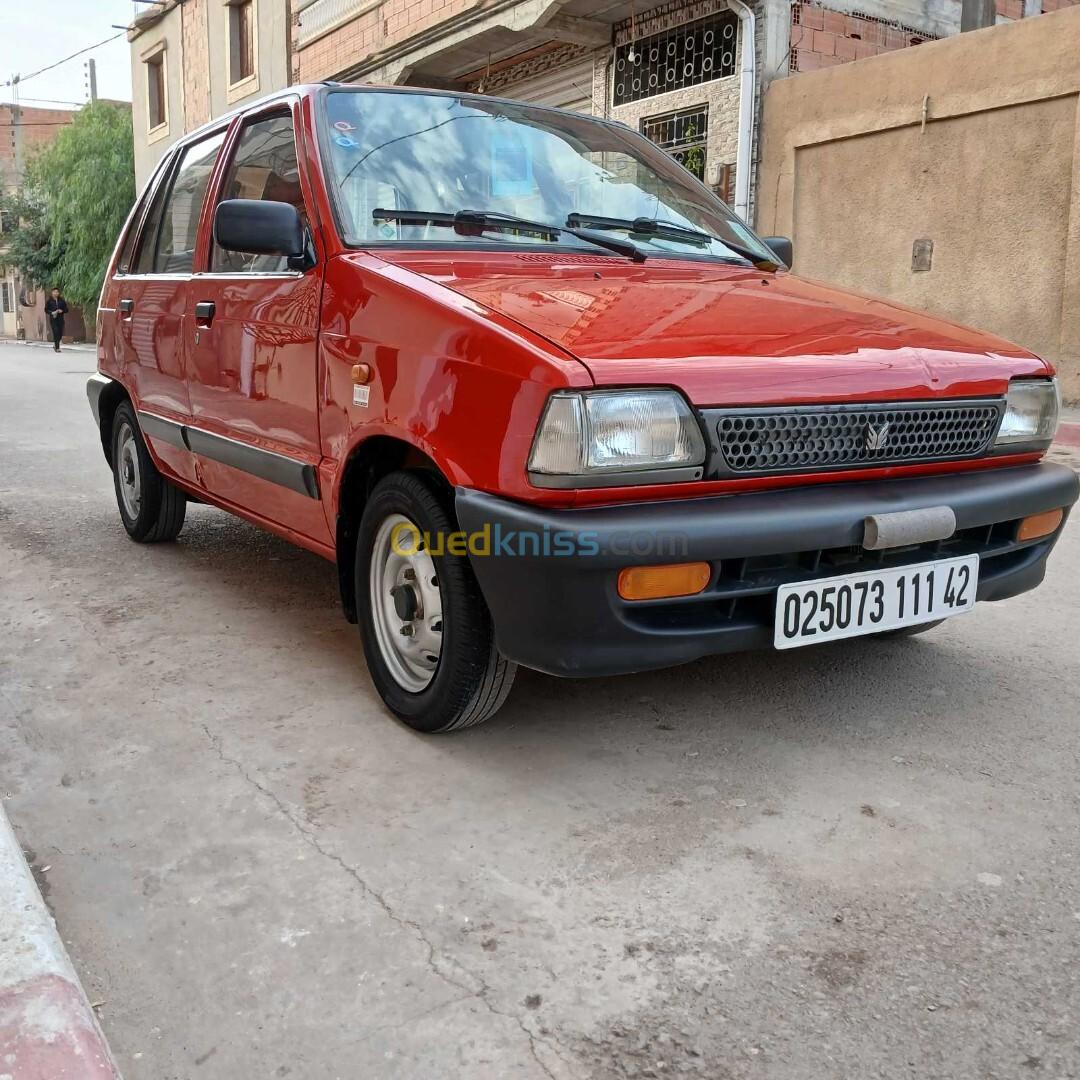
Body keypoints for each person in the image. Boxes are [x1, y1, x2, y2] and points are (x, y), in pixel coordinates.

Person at [44, 287, 69, 352]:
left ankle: (55, 345)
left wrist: (62, 311)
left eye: (57, 292)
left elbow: (66, 309)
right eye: (54, 292)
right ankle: (57, 348)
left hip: (60, 319)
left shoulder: (61, 300)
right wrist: (52, 312)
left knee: (60, 333)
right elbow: (46, 310)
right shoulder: (49, 301)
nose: (56, 293)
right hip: (53, 319)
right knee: (56, 332)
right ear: (52, 293)